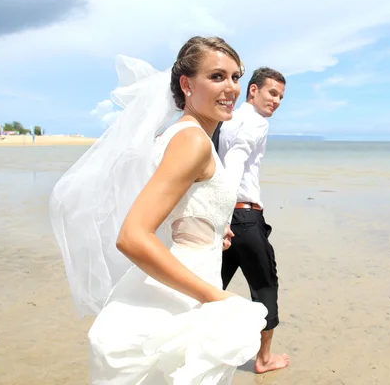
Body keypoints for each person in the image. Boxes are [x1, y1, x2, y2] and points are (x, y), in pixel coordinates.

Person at [49, 36, 268, 385]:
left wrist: (210, 229)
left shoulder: (174, 135)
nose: (231, 88)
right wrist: (216, 297)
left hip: (184, 272)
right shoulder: (193, 141)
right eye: (217, 77)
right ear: (186, 84)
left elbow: (175, 206)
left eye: (235, 77)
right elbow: (133, 236)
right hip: (184, 293)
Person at [215, 67, 289, 374]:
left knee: (210, 287)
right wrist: (224, 217)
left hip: (220, 217)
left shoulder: (224, 119)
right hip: (243, 217)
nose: (277, 101)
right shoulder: (255, 122)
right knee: (265, 287)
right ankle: (263, 359)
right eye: (272, 93)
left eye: (281, 97)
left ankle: (196, 351)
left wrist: (217, 218)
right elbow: (235, 162)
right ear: (253, 90)